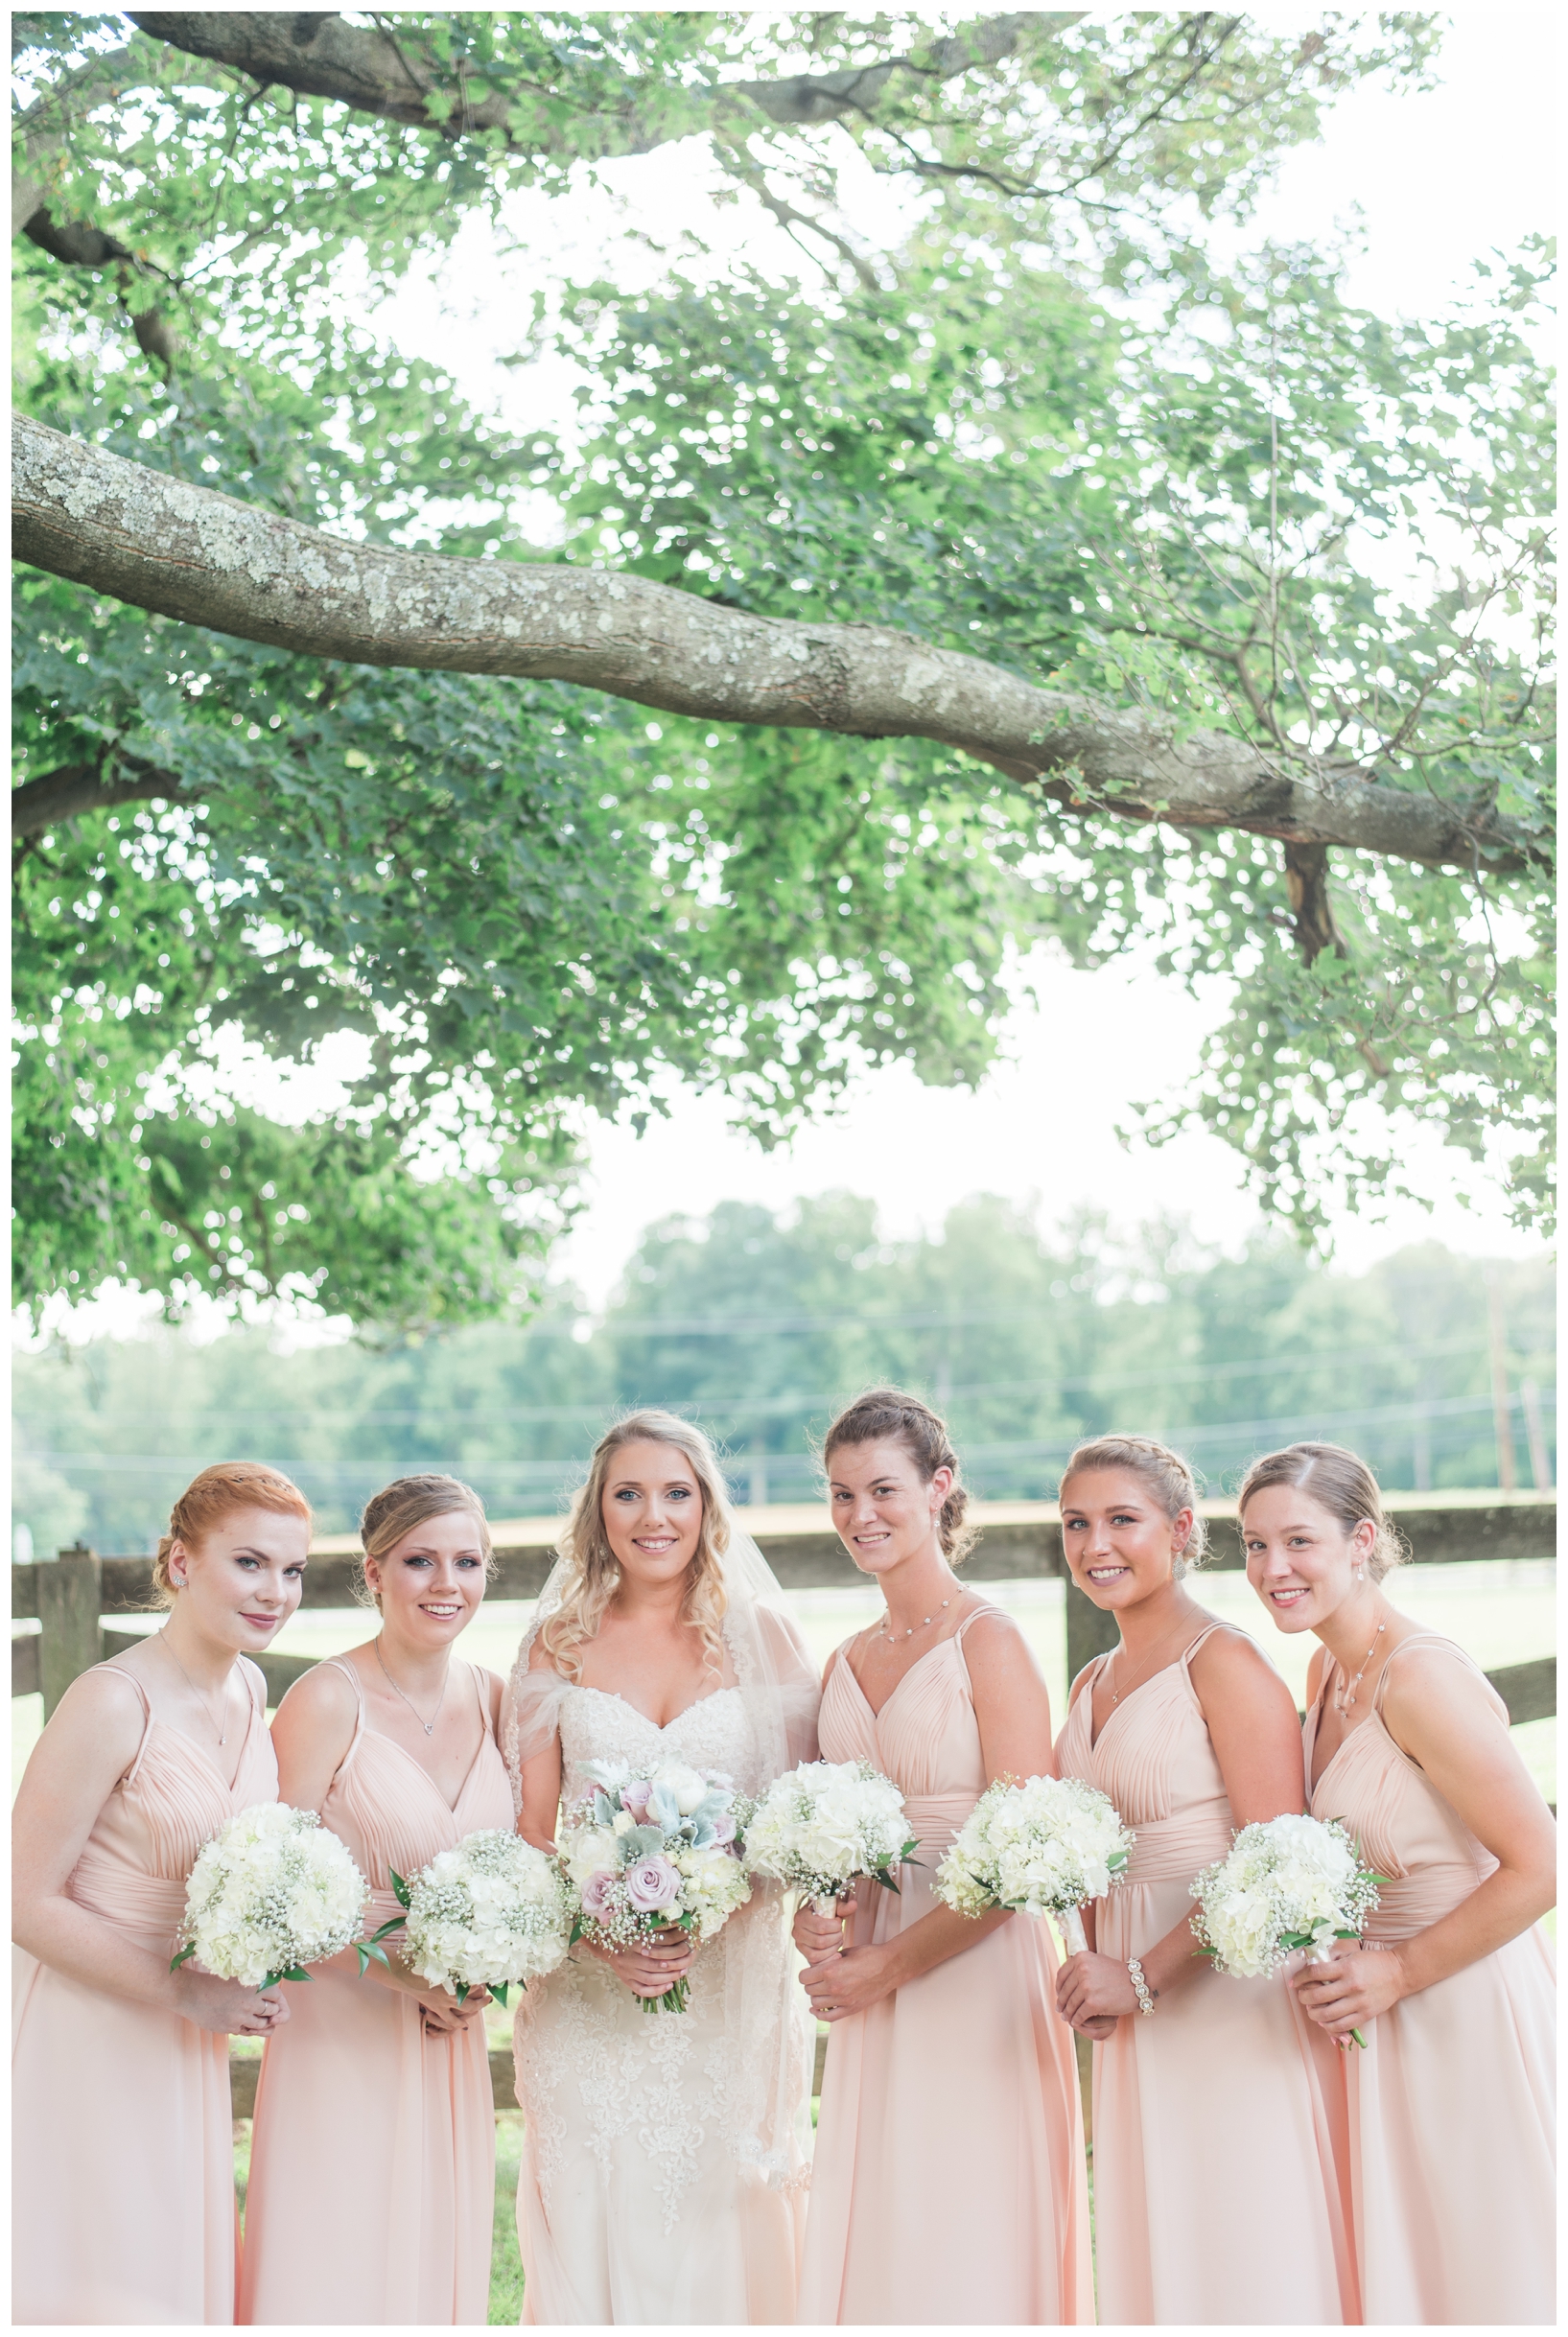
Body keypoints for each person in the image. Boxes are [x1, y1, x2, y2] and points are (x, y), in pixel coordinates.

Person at [504, 1410, 820, 2325]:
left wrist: (715, 1902)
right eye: (629, 1493)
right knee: (604, 2223)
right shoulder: (555, 1643)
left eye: (676, 1492)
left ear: (706, 1505)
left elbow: (796, 1827)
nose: (654, 1515)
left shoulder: (762, 1635)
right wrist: (601, 1939)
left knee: (720, 2236)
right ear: (597, 1510)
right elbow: (532, 1836)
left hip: (728, 2000)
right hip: (589, 2003)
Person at [795, 1389, 1093, 2327]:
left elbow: (1024, 1858)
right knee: (886, 2220)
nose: (861, 1515)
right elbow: (827, 1833)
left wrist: (890, 1963)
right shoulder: (842, 1658)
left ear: (940, 1488)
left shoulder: (987, 1641)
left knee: (962, 2221)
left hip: (972, 1972)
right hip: (869, 1971)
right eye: (842, 1494)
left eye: (883, 1488)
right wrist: (819, 1910)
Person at [1241, 1440, 1556, 2325]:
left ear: (1360, 1540)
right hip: (1377, 2013)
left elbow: (1539, 1867)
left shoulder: (1420, 1677)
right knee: (1411, 2268)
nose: (1273, 1568)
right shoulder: (1325, 1668)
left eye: (1297, 1541)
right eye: (1255, 1545)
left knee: (1486, 2258)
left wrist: (1400, 1971)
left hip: (1461, 1999)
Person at [1053, 1435, 1355, 2326]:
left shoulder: (1223, 1664)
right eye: (1076, 1523)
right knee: (1159, 2235)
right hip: (1125, 2002)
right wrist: (1091, 1962)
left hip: (1223, 1997)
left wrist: (1144, 1972)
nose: (1095, 1544)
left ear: (1181, 1530)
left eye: (1121, 1520)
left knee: (1239, 2235)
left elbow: (1275, 1863)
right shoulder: (1089, 1679)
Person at [12, 1461, 310, 2325]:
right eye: (248, 1562)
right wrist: (183, 1989)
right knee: (102, 2262)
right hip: (95, 2023)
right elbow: (23, 1900)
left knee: (170, 2263)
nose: (275, 1592)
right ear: (179, 1563)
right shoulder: (110, 1702)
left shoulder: (250, 1686)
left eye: (290, 1570)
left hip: (189, 2029)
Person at [239, 1474, 512, 2326]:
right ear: (374, 1573)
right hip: (343, 2031)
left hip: (450, 2032)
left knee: (433, 2260)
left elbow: (518, 1871)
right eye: (419, 1560)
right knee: (336, 2259)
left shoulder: (497, 1697)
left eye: (465, 1561)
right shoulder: (327, 1699)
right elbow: (262, 1889)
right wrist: (403, 1975)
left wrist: (481, 1971)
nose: (445, 1583)